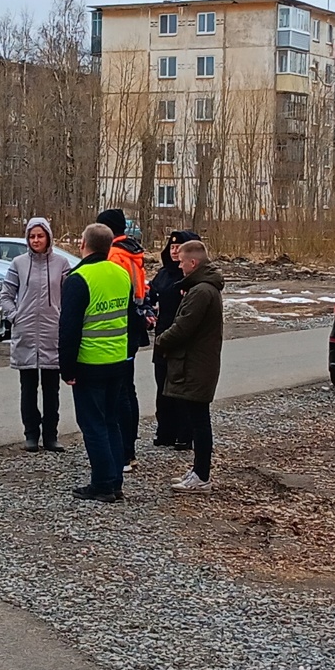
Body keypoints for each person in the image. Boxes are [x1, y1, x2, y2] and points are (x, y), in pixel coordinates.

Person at [59, 221, 144, 501]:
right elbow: (131, 318)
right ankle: (115, 481)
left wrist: (67, 367)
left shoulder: (78, 278)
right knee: (111, 422)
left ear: (83, 244)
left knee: (93, 424)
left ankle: (103, 483)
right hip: (118, 361)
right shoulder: (121, 274)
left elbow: (69, 328)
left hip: (90, 363)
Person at [153, 238, 225, 490]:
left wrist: (160, 341)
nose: (180, 266)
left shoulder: (201, 292)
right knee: (198, 418)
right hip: (196, 363)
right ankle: (198, 470)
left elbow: (183, 327)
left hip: (196, 365)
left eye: (183, 261)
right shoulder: (201, 288)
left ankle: (202, 475)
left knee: (199, 421)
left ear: (193, 263)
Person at [0, 216, 75, 450]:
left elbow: (70, 296)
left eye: (40, 236)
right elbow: (6, 294)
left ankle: (51, 435)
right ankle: (31, 434)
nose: (36, 240)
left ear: (48, 237)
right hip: (27, 334)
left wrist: (65, 321)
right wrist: (15, 316)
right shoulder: (19, 263)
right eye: (32, 236)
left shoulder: (61, 263)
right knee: (28, 387)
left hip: (53, 333)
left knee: (51, 389)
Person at [93, 208, 148, 468]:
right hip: (134, 323)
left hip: (121, 326)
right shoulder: (133, 251)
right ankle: (129, 447)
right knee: (129, 388)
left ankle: (124, 450)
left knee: (121, 391)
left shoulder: (115, 255)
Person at [146, 228, 200, 449]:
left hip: (183, 339)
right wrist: (148, 310)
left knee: (181, 389)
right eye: (172, 246)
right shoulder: (163, 273)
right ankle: (165, 430)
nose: (175, 251)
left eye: (180, 247)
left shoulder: (192, 277)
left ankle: (184, 434)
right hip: (162, 336)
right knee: (163, 387)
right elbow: (150, 296)